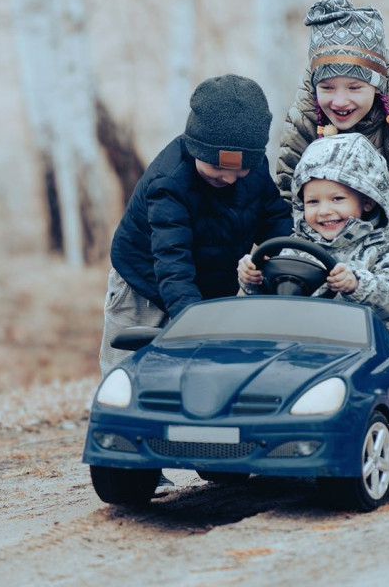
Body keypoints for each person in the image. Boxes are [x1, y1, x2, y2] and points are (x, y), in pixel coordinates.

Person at [100, 74, 293, 375]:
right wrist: (194, 325)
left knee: (203, 372)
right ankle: (122, 418)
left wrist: (289, 260)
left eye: (239, 171)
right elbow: (172, 264)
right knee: (129, 373)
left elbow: (275, 218)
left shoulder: (254, 171)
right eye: (217, 169)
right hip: (145, 286)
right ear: (195, 149)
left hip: (213, 281)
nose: (228, 179)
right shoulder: (169, 183)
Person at [274, 0, 389, 322]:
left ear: (376, 84)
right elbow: (290, 200)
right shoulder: (304, 119)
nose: (339, 101)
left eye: (354, 87)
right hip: (322, 256)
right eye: (327, 87)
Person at [241, 133, 389, 346]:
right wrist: (254, 280)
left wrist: (357, 285)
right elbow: (280, 302)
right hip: (303, 346)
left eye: (337, 199)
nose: (324, 211)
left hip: (371, 346)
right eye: (313, 202)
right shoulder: (298, 245)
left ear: (368, 202)